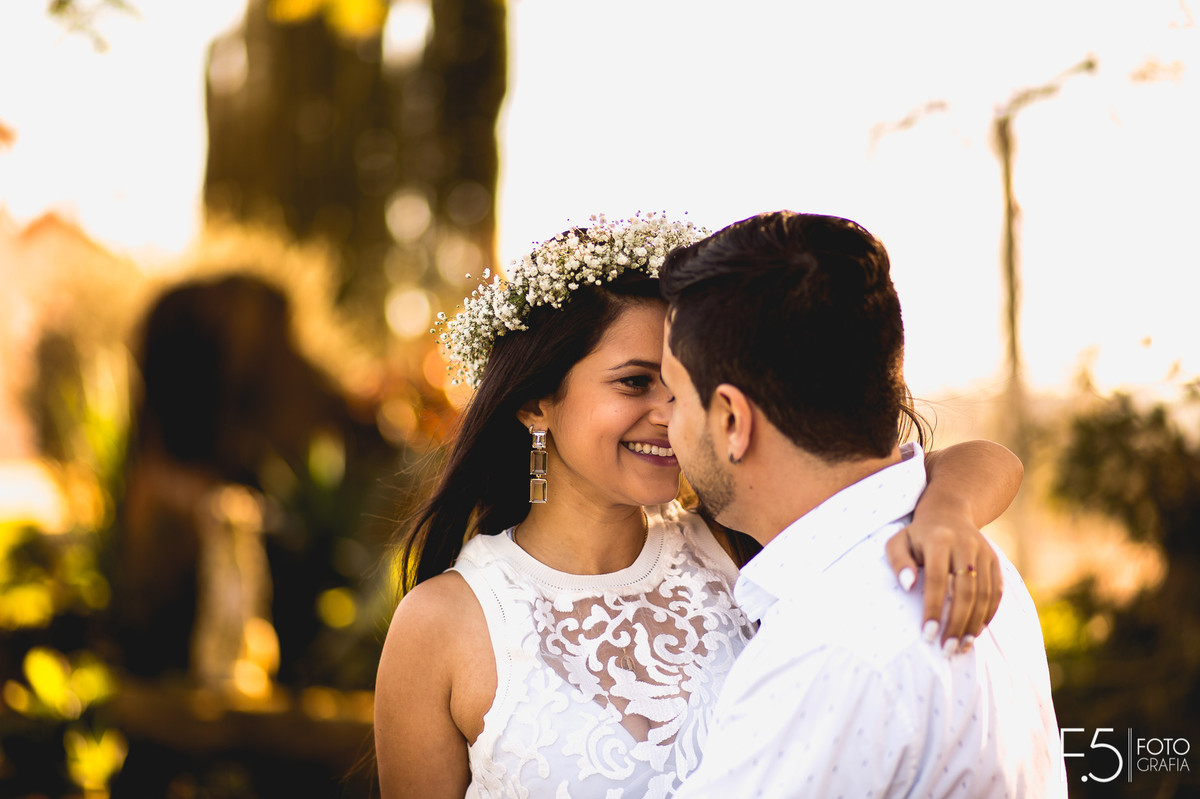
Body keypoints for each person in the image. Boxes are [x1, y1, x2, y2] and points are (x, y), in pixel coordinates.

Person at [373, 213, 1024, 798]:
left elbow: (942, 467)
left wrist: (947, 512)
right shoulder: (441, 624)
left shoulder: (735, 535)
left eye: (680, 384)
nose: (670, 414)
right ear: (536, 401)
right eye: (635, 382)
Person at [659, 211, 1064, 798]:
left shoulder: (826, 649)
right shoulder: (977, 565)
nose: (663, 420)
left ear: (731, 420)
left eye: (673, 394)